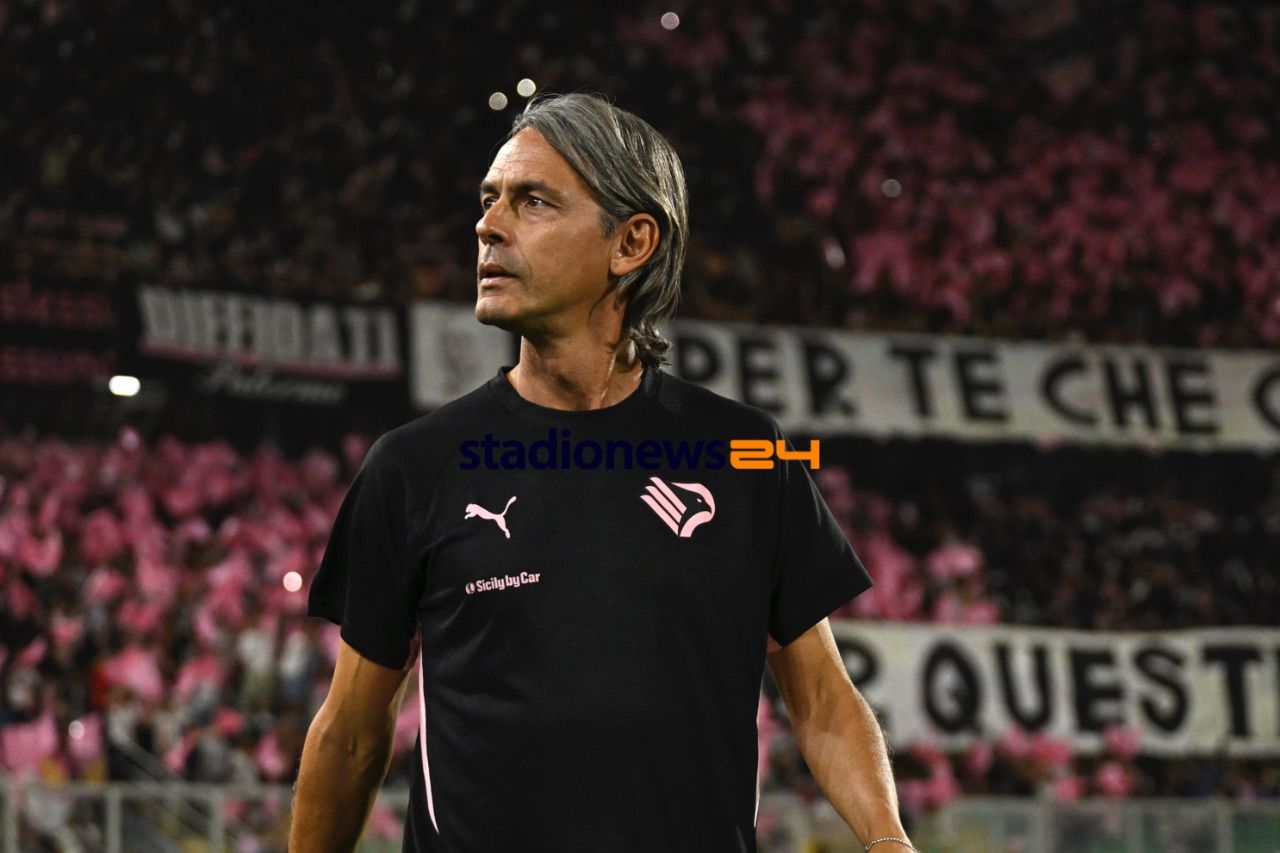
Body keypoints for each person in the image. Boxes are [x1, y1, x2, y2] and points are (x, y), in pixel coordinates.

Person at [291, 92, 914, 852]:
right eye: (489, 200)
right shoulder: (414, 466)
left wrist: (887, 839)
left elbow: (821, 699)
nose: (487, 226)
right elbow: (352, 734)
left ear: (631, 242)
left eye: (533, 202)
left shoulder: (748, 455)